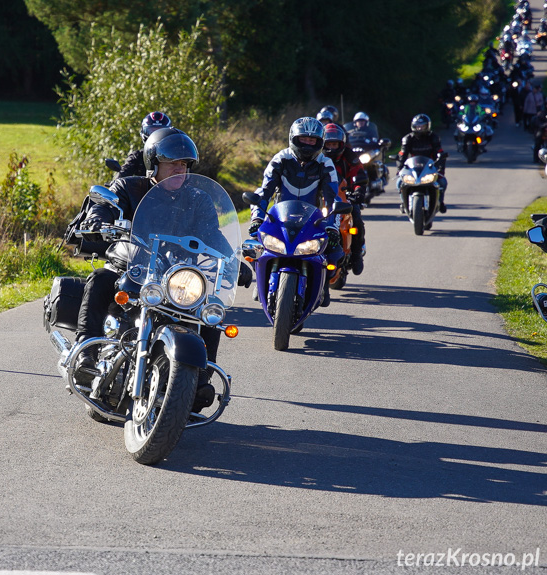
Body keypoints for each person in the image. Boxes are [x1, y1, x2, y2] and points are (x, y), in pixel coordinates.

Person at [74, 127, 249, 410]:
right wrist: (97, 220)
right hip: (133, 266)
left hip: (176, 276)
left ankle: (200, 378)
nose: (179, 169)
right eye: (172, 163)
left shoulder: (197, 199)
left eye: (184, 164)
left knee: (210, 309)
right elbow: (105, 207)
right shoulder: (130, 188)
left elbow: (212, 234)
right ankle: (87, 354)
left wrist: (233, 260)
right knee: (99, 279)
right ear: (154, 164)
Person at [247, 117, 342, 307]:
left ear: (320, 142)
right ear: (293, 139)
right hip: (279, 219)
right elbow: (263, 192)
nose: (307, 144)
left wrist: (333, 228)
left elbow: (333, 200)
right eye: (303, 140)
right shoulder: (280, 159)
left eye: (312, 140)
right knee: (250, 246)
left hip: (312, 221)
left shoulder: (326, 164)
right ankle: (259, 279)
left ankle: (322, 284)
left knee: (336, 253)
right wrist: (257, 218)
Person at [322, 123, 367, 276]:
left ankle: (356, 255)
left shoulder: (349, 155)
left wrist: (358, 191)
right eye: (329, 144)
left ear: (341, 144)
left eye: (335, 144)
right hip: (321, 198)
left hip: (344, 196)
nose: (332, 147)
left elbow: (359, 174)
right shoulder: (317, 157)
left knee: (356, 217)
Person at [396, 114, 448, 213]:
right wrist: (400, 169)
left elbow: (440, 153)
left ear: (427, 126)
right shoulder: (408, 138)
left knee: (442, 182)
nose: (419, 128)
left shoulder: (434, 138)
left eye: (422, 126)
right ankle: (403, 203)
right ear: (413, 126)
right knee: (399, 182)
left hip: (430, 167)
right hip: (413, 168)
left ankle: (440, 202)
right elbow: (402, 155)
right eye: (417, 126)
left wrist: (441, 169)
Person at [112, 111, 172, 180]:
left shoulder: (175, 156)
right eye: (152, 131)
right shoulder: (137, 157)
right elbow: (124, 172)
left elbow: (185, 178)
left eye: (160, 131)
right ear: (144, 133)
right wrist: (117, 181)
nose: (156, 135)